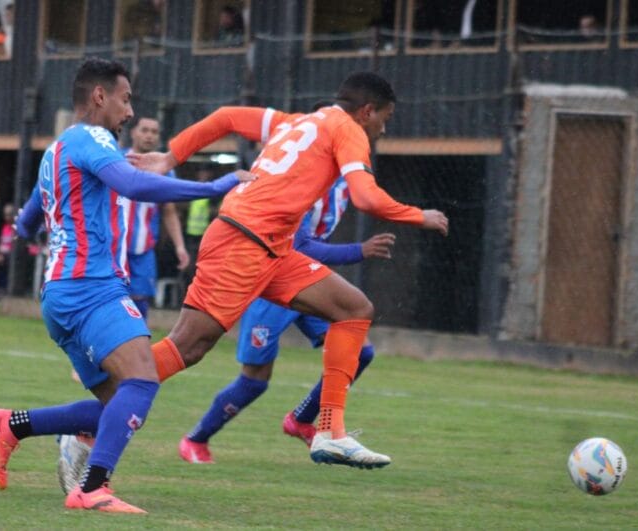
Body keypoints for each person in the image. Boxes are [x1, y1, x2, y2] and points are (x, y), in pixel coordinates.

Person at [126, 72, 448, 469]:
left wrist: (171, 156)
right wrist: (418, 215)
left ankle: (330, 432)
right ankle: (91, 417)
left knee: (354, 309)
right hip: (243, 242)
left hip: (272, 248)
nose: (385, 126)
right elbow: (365, 197)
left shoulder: (295, 120)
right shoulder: (349, 129)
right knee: (189, 347)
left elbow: (227, 117)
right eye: (386, 116)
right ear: (367, 111)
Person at [0, 57, 254, 514]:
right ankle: (91, 489)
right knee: (143, 382)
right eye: (125, 100)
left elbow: (28, 220)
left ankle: (10, 425)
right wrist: (212, 187)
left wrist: (49, 230)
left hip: (61, 293)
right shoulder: (93, 137)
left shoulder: (56, 151)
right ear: (99, 97)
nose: (129, 112)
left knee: (118, 408)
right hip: (91, 287)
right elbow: (131, 184)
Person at [179, 176, 396, 463]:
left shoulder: (346, 178)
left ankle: (301, 419)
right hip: (273, 280)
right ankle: (195, 439)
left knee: (360, 351)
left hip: (310, 280)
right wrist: (359, 250)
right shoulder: (304, 175)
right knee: (255, 379)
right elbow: (300, 245)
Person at [124, 116, 189, 320]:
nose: (149, 135)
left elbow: (169, 210)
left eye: (154, 132)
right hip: (112, 247)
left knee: (140, 302)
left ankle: (135, 345)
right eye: (144, 130)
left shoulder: (165, 171)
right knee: (108, 299)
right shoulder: (116, 160)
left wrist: (180, 246)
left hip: (143, 249)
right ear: (133, 132)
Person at [181, 168, 215, 293]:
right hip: (190, 235)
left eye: (205, 172)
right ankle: (186, 294)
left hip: (205, 237)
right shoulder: (194, 191)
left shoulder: (213, 193)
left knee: (201, 267)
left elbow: (216, 211)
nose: (203, 175)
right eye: (201, 172)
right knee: (189, 267)